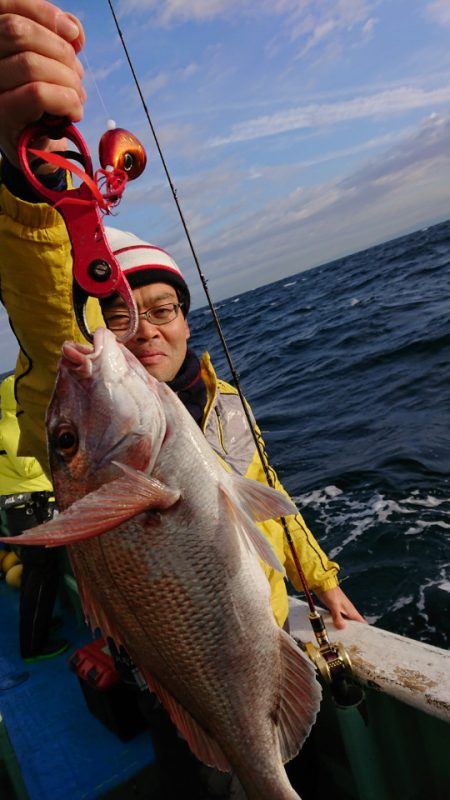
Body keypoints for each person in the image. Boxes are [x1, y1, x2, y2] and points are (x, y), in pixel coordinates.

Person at [0, 1, 365, 795]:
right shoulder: (76, 413)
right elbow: (48, 318)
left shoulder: (212, 398)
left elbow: (269, 503)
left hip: (267, 641)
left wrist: (324, 580)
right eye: (127, 312)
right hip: (181, 681)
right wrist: (26, 178)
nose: (148, 331)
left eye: (164, 309)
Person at [0, 374, 69, 661]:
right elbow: (30, 468)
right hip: (33, 510)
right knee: (39, 575)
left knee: (37, 575)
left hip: (21, 512)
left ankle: (37, 625)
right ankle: (33, 645)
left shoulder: (4, 424)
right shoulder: (14, 427)